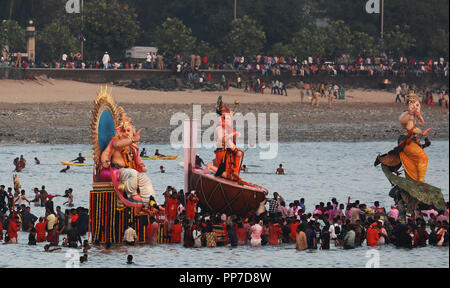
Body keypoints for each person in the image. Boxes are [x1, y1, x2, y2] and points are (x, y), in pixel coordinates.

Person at [100, 114, 155, 207]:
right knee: (132, 173)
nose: (127, 133)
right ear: (120, 131)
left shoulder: (130, 145)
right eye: (125, 131)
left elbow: (136, 157)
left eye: (129, 131)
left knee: (145, 179)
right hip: (118, 170)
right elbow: (116, 146)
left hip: (126, 170)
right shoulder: (115, 141)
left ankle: (150, 201)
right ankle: (132, 194)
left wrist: (141, 165)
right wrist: (133, 140)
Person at [397, 93, 432, 182]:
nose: (417, 107)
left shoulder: (410, 114)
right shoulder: (409, 114)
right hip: (406, 141)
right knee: (423, 158)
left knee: (412, 162)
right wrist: (421, 132)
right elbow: (409, 127)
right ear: (410, 105)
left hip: (409, 141)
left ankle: (412, 181)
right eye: (414, 105)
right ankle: (421, 182)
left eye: (418, 105)